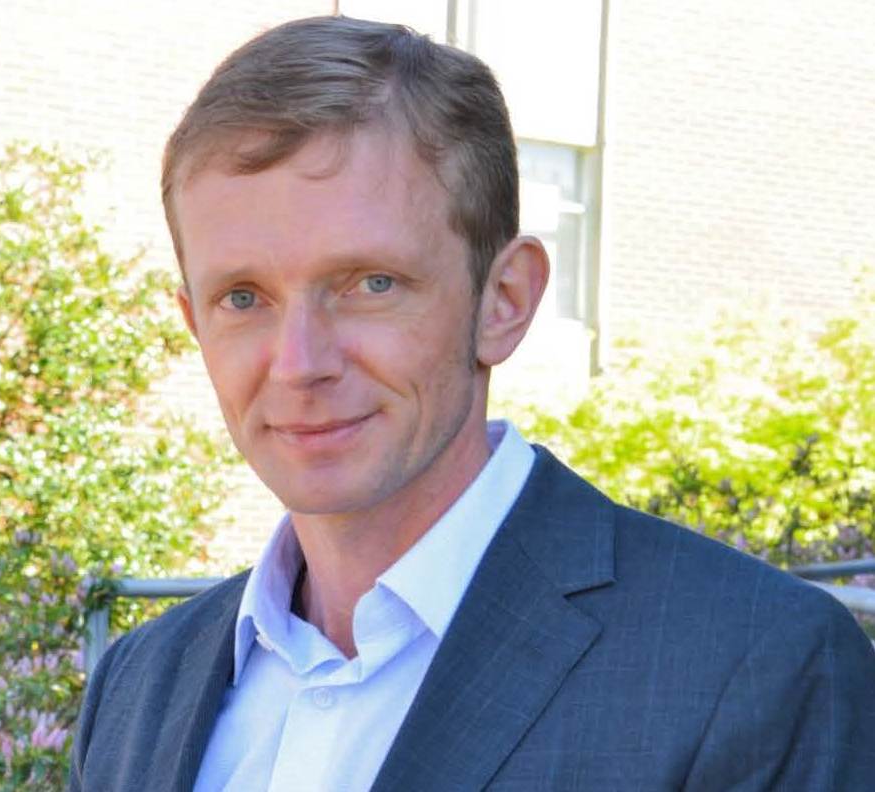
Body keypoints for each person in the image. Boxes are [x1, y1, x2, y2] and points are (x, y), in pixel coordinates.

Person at [69, 15, 875, 792]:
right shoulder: (140, 686)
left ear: (505, 300)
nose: (299, 363)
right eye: (243, 298)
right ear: (193, 323)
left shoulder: (753, 668)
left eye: (370, 284)